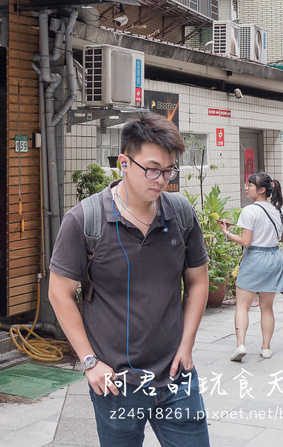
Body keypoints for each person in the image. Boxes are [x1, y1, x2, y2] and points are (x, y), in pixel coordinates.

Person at [48, 113, 210, 447]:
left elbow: (197, 280)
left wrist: (187, 344)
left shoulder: (180, 214)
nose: (161, 179)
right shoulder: (85, 220)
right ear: (124, 161)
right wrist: (90, 361)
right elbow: (60, 293)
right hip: (115, 383)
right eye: (152, 169)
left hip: (176, 376)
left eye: (169, 170)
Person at [218, 172, 283, 362]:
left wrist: (227, 232)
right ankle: (266, 348)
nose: (246, 188)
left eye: (249, 185)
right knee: (267, 308)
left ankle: (241, 345)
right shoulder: (279, 211)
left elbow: (246, 241)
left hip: (254, 259)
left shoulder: (249, 210)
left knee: (242, 306)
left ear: (260, 190)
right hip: (274, 257)